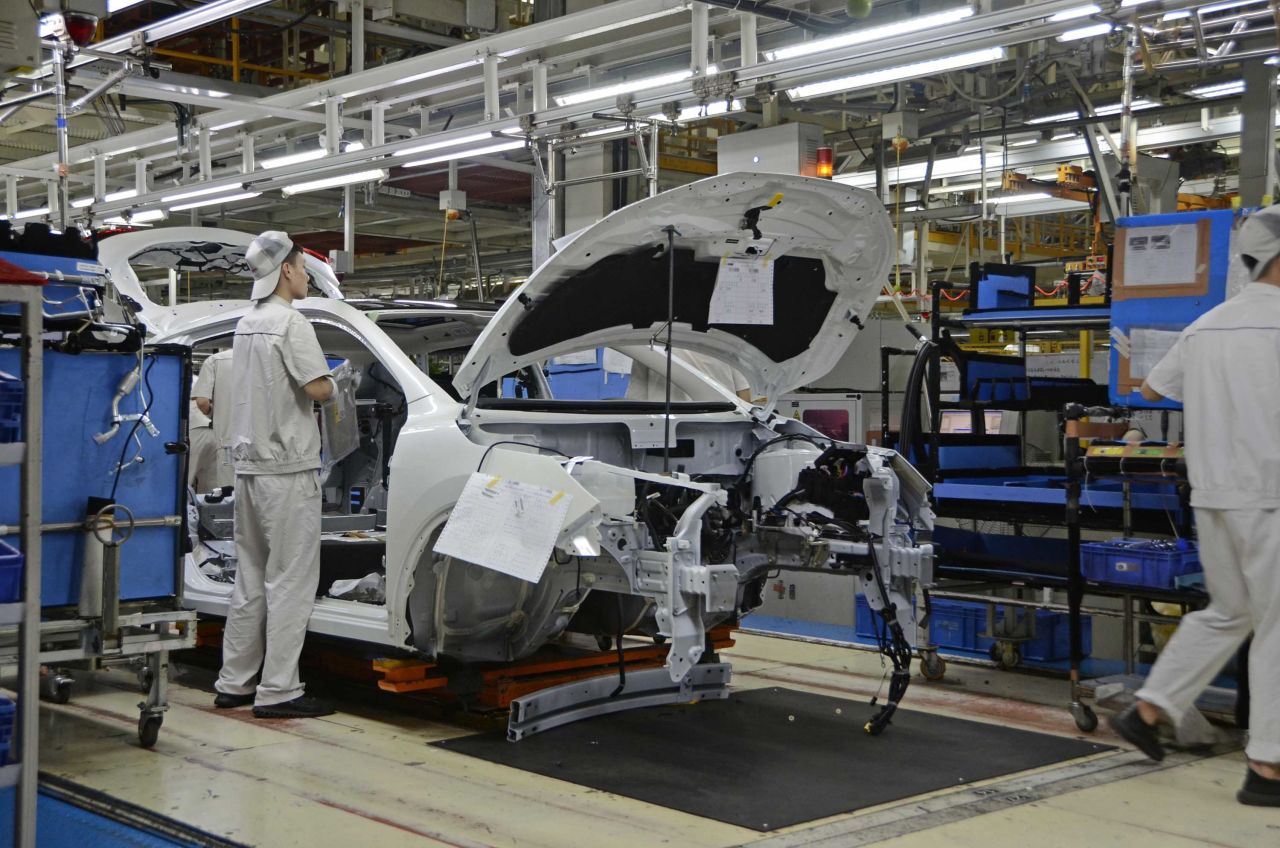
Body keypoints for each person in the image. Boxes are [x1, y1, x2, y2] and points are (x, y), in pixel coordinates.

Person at [1110, 205, 1280, 807]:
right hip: (1270, 496)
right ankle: (1267, 771)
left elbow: (1152, 388)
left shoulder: (1208, 324)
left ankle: (1150, 710)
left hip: (1213, 496)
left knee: (1230, 614)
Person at [212, 232, 336, 719]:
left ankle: (234, 682)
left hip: (248, 469)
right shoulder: (291, 324)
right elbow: (317, 389)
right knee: (290, 581)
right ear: (286, 270)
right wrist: (336, 382)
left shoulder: (246, 324)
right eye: (304, 269)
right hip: (287, 470)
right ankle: (280, 690)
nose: (306, 277)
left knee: (251, 578)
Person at [192, 348, 235, 490]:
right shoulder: (270, 358)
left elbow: (202, 402)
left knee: (183, 483)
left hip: (220, 437)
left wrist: (213, 413)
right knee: (211, 484)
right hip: (262, 443)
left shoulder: (215, 361)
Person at [187, 382, 219, 492]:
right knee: (213, 490)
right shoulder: (198, 380)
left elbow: (202, 402)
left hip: (192, 430)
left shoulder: (172, 378)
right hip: (214, 431)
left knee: (182, 483)